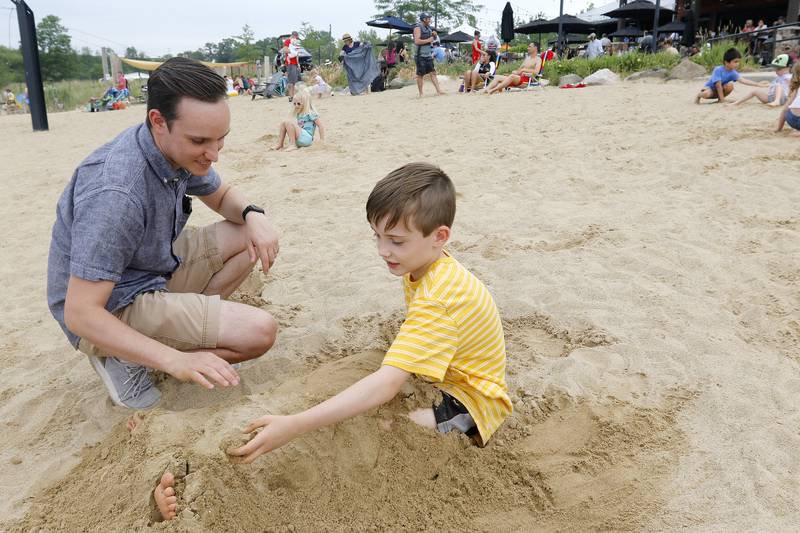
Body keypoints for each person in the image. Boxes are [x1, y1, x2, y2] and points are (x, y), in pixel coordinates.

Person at [228, 162, 512, 464]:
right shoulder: (423, 263)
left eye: (396, 241)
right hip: (442, 377)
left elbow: (386, 385)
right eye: (377, 236)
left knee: (384, 426)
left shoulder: (439, 298)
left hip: (471, 405)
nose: (382, 250)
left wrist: (295, 425)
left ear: (440, 236)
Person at [47, 58, 280, 413]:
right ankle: (125, 357)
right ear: (158, 121)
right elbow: (80, 314)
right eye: (201, 141)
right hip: (110, 303)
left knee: (245, 236)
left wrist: (253, 215)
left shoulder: (174, 150)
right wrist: (174, 361)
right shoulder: (116, 193)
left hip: (148, 267)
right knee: (259, 332)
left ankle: (172, 336)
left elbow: (220, 196)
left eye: (221, 140)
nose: (214, 154)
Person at [695, 47, 767, 104]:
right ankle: (699, 95)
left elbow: (743, 80)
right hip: (709, 89)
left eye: (738, 62)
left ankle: (720, 99)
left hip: (718, 91)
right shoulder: (718, 69)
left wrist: (758, 84)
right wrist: (722, 101)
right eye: (735, 62)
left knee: (730, 86)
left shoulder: (733, 72)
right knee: (706, 94)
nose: (737, 64)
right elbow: (718, 86)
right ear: (726, 62)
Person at [413, 12, 444, 97]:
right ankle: (421, 93)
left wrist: (434, 35)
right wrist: (429, 40)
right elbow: (417, 41)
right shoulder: (417, 28)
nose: (430, 20)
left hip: (428, 55)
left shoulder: (429, 28)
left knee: (433, 72)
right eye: (428, 18)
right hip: (420, 55)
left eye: (430, 18)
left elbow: (432, 39)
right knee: (420, 75)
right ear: (424, 19)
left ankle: (439, 91)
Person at [775, 62, 800, 136]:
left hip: (791, 119)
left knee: (788, 109)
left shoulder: (796, 89)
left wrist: (779, 129)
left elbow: (784, 109)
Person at [283, 31, 301, 102]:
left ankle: (294, 96)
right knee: (291, 81)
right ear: (293, 36)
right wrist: (292, 52)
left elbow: (297, 54)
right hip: (290, 63)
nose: (296, 39)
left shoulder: (295, 42)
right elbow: (285, 50)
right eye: (296, 37)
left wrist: (298, 64)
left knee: (295, 81)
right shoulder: (287, 41)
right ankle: (291, 96)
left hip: (295, 64)